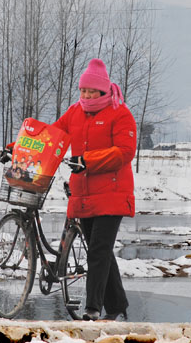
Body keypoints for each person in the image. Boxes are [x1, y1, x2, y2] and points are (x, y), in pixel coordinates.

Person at [53, 58, 136, 321]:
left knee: (98, 250)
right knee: (99, 249)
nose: (86, 95)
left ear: (103, 91)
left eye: (91, 91)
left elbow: (124, 152)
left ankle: (92, 307)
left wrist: (87, 161)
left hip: (112, 195)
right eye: (83, 91)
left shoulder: (120, 113)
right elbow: (53, 134)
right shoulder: (75, 112)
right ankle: (117, 305)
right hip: (85, 195)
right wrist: (19, 144)